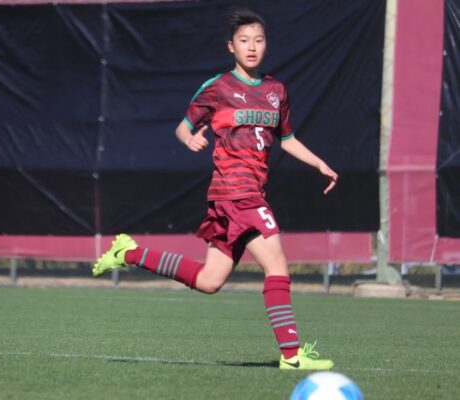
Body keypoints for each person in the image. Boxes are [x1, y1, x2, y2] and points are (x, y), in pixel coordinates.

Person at [93, 9, 338, 370]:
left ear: (266, 45)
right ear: (231, 47)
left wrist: (319, 163)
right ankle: (292, 355)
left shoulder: (276, 91)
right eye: (244, 40)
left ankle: (129, 252)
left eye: (258, 40)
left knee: (209, 280)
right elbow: (182, 127)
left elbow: (287, 139)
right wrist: (189, 139)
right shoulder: (218, 87)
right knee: (277, 265)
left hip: (241, 196)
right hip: (237, 192)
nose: (251, 47)